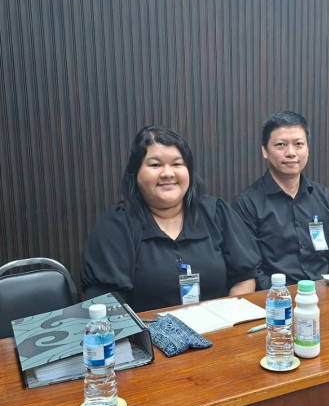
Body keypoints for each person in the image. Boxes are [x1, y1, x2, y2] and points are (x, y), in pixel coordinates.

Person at [82, 125, 259, 312]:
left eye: (177, 164)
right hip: (146, 330)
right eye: (155, 165)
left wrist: (228, 320)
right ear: (135, 174)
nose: (168, 173)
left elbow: (244, 277)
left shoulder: (216, 213)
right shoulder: (115, 227)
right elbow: (105, 305)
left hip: (220, 327)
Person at [232, 111, 329, 290]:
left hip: (325, 294)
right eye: (280, 145)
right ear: (264, 150)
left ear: (307, 149)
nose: (291, 153)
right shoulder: (247, 204)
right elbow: (252, 272)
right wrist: (284, 296)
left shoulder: (324, 197)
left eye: (298, 144)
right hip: (276, 298)